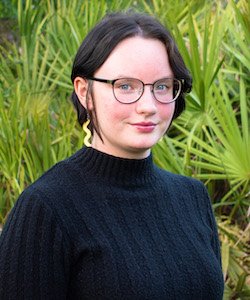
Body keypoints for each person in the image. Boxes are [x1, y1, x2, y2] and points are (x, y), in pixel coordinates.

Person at [0, 11, 224, 299]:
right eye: (125, 86)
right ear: (84, 92)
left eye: (162, 86)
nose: (148, 106)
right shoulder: (47, 208)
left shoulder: (192, 198)